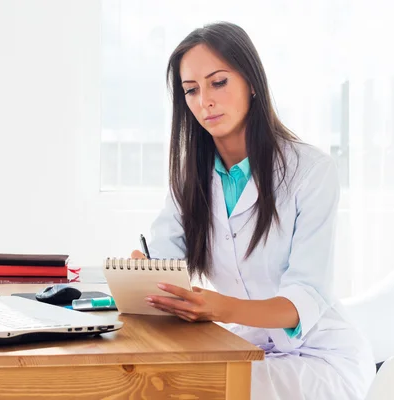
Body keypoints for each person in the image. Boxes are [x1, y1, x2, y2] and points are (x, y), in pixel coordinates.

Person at [131, 22, 375, 399]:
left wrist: (219, 307)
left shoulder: (311, 171)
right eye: (191, 90)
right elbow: (164, 263)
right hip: (246, 347)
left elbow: (304, 299)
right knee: (153, 380)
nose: (204, 101)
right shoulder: (189, 180)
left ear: (252, 82)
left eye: (219, 82)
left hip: (319, 356)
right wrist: (143, 275)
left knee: (198, 390)